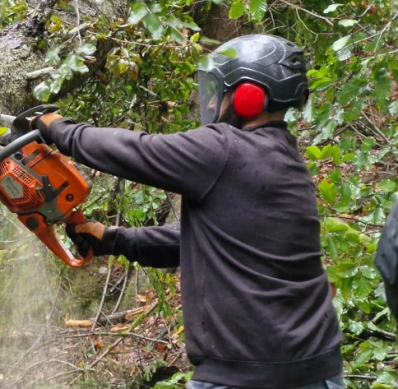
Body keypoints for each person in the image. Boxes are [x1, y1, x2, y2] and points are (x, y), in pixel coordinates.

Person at [22, 34, 344, 388]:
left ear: (248, 95)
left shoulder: (224, 148)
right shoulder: (285, 160)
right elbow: (205, 241)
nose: (211, 103)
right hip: (317, 369)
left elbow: (137, 151)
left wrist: (57, 128)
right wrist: (114, 240)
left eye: (218, 90)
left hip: (246, 374)